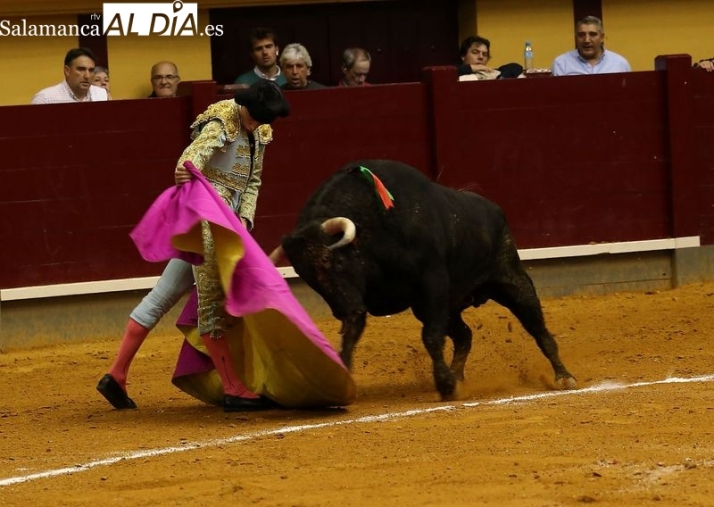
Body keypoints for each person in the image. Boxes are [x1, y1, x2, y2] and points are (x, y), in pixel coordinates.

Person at [97, 80, 290, 412]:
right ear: (245, 108)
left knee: (161, 296)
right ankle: (232, 387)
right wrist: (194, 191)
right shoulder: (222, 121)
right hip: (208, 222)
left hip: (229, 225)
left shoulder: (258, 130)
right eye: (256, 118)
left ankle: (116, 374)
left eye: (264, 121)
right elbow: (190, 160)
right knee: (213, 301)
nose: (258, 125)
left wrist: (243, 220)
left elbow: (253, 181)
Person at [551, 16, 631, 76]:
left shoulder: (619, 63)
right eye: (581, 35)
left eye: (592, 34)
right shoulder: (561, 63)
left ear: (602, 37)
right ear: (576, 38)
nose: (586, 40)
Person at [31, 48, 108, 104]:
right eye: (81, 69)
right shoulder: (45, 99)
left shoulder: (101, 94)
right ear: (67, 71)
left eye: (91, 70)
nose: (87, 76)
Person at [456, 35, 523, 81]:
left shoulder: (489, 75)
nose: (481, 57)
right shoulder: (455, 73)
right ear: (463, 56)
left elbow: (516, 67)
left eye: (485, 54)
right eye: (475, 52)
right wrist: (471, 68)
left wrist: (498, 76)